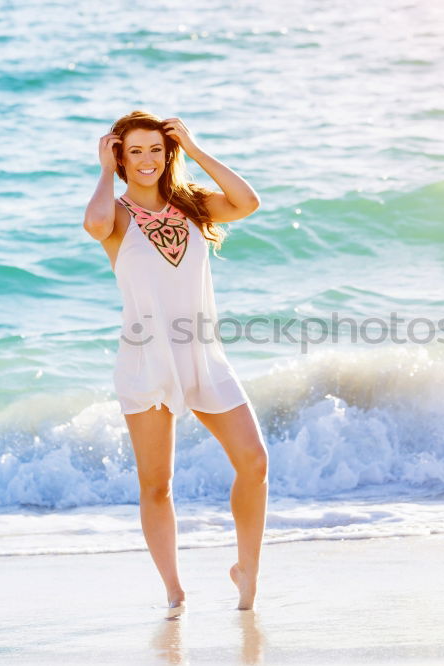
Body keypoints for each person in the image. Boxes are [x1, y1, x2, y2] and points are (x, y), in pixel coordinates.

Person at [82, 111, 268, 616]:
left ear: (168, 155)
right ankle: (174, 588)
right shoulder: (116, 214)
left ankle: (246, 568)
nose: (147, 160)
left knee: (254, 462)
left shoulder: (193, 206)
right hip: (146, 360)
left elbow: (247, 202)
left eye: (156, 150)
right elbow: (94, 224)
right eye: (134, 151)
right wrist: (102, 170)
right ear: (121, 157)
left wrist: (196, 148)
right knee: (157, 483)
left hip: (203, 355)